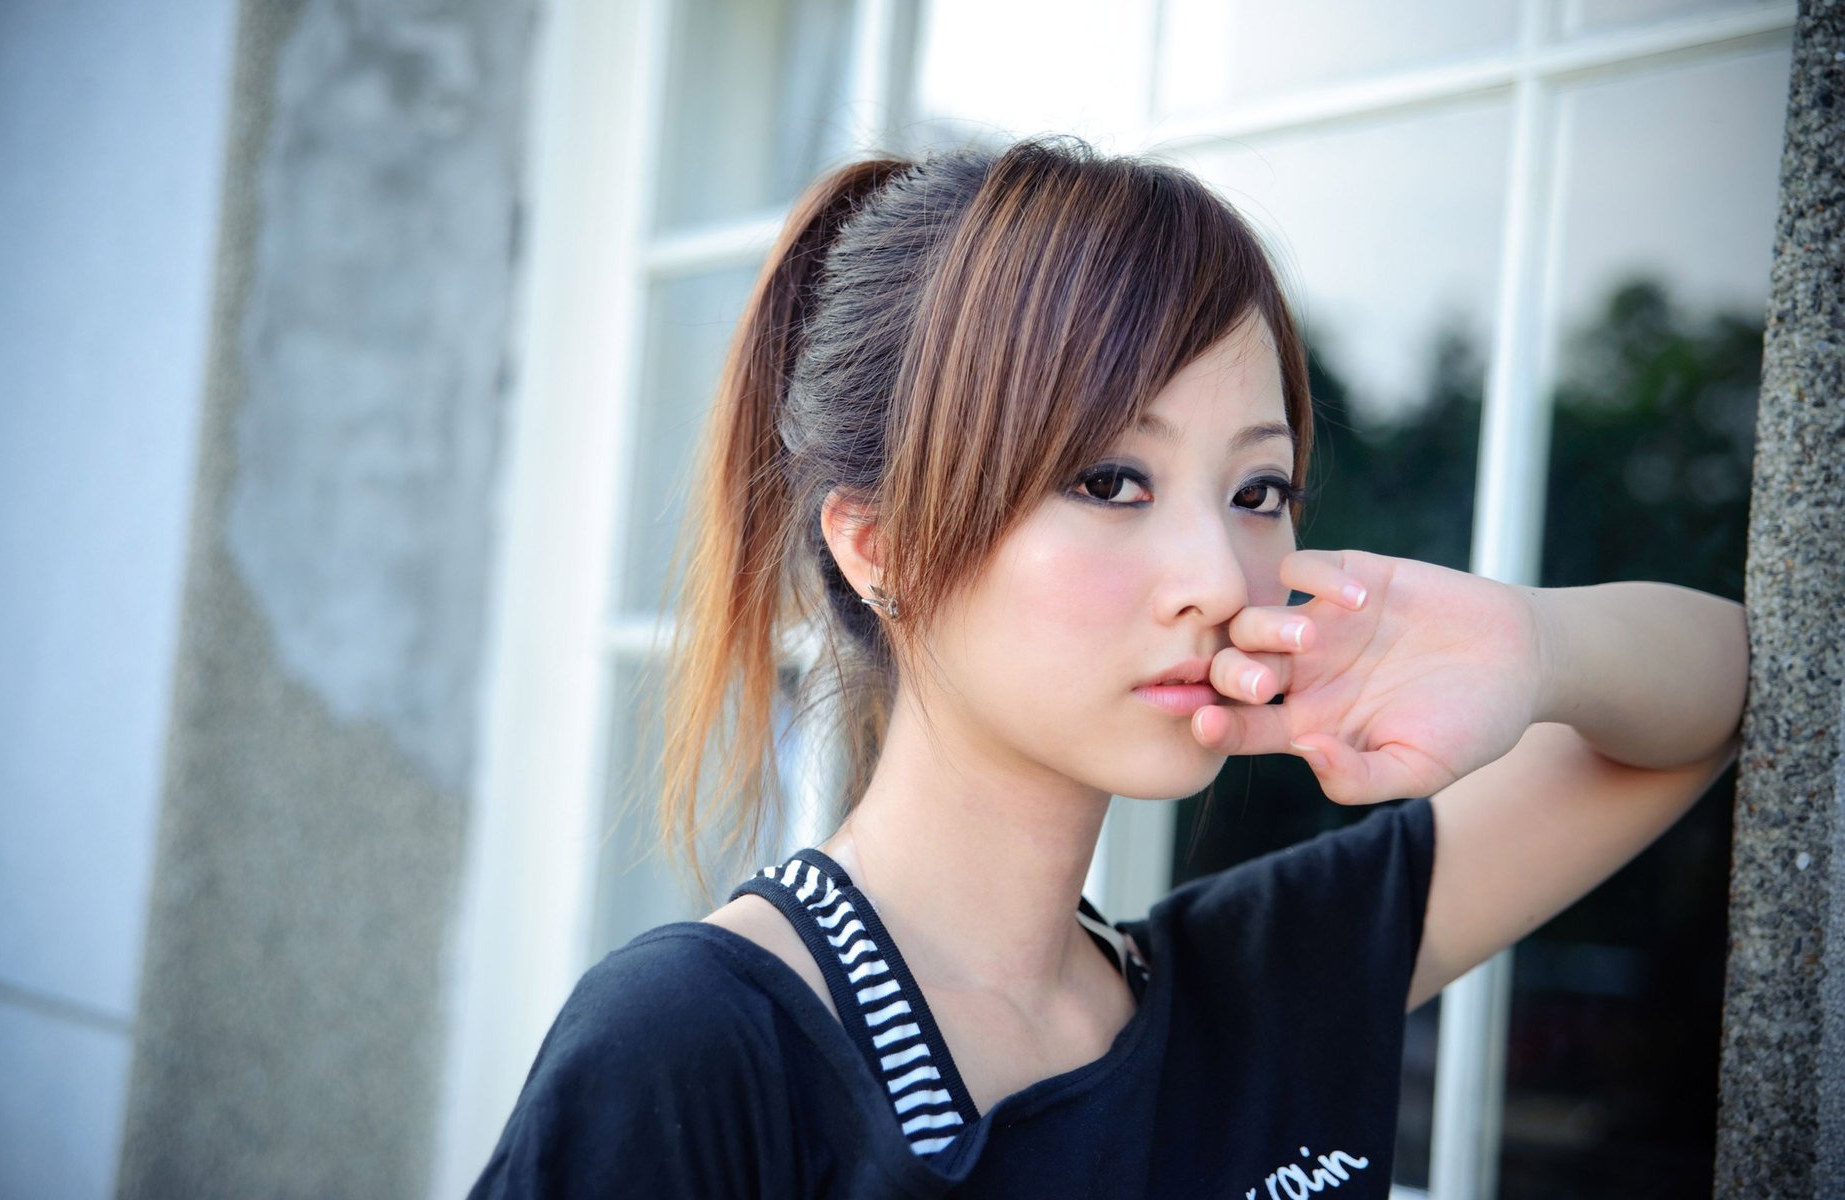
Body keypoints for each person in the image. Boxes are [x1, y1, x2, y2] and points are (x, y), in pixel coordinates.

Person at [468, 138, 1749, 1198]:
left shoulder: (1261, 989)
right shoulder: (695, 1049)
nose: (1217, 572)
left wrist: (1528, 649)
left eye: (1259, 488)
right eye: (1108, 479)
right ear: (878, 546)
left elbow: (1723, 687)